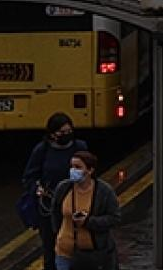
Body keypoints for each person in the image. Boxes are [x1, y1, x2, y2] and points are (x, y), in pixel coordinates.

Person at [22, 113, 89, 270]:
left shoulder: (79, 147)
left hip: (75, 204)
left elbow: (89, 172)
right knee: (51, 248)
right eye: (62, 132)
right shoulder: (42, 150)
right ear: (52, 134)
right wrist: (37, 189)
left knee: (76, 246)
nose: (66, 135)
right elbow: (29, 177)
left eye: (69, 131)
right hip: (49, 208)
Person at [50, 151, 122, 270]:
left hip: (94, 256)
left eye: (78, 167)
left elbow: (115, 218)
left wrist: (88, 221)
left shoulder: (104, 191)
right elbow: (55, 213)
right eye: (72, 166)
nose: (73, 170)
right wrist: (58, 234)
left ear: (90, 170)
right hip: (64, 253)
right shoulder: (63, 188)